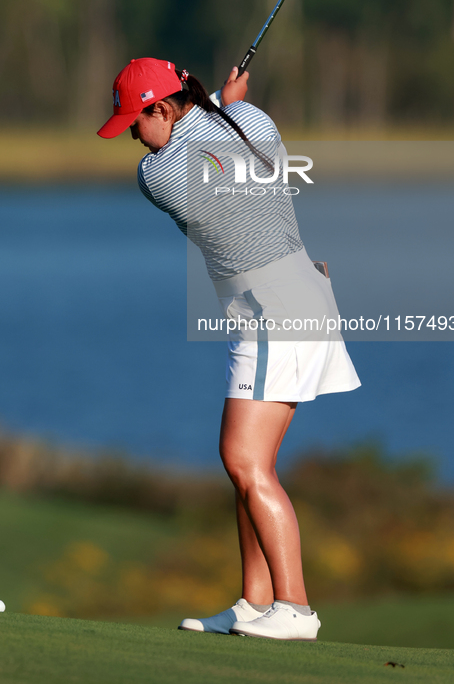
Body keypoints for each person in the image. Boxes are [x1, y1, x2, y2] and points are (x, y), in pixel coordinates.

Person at [97, 58, 360, 640]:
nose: (132, 139)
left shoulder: (159, 177)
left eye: (135, 124)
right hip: (294, 296)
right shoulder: (254, 123)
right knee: (250, 465)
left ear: (162, 108)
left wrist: (221, 95)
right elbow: (223, 124)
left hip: (275, 311)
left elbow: (185, 154)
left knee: (242, 461)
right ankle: (255, 602)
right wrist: (226, 99)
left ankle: (295, 609)